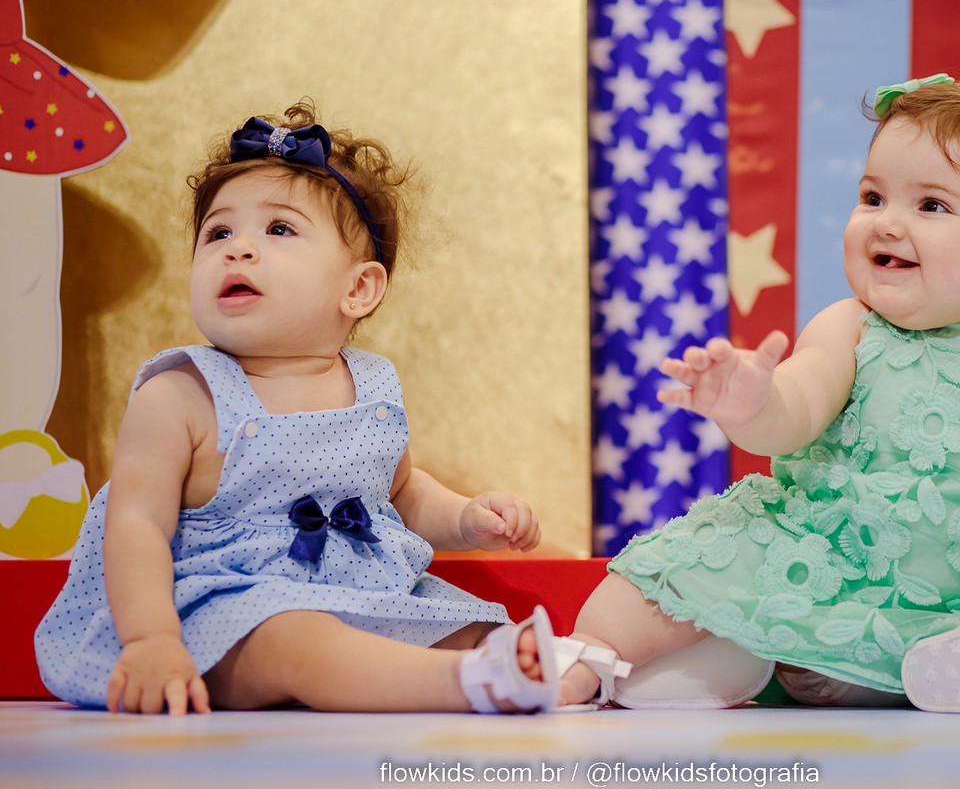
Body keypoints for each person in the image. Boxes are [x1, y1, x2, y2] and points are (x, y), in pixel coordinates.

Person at [560, 76, 960, 713]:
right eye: (872, 197)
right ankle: (590, 658)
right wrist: (752, 405)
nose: (886, 222)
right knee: (689, 556)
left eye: (932, 206)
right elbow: (797, 409)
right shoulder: (852, 328)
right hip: (830, 581)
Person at [34, 101, 566, 716]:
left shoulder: (372, 386)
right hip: (220, 620)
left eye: (279, 230)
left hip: (361, 595)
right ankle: (465, 684)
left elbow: (398, 494)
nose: (238, 250)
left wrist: (466, 519)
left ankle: (546, 672)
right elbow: (136, 524)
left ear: (357, 289)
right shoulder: (181, 394)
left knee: (475, 624)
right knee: (295, 638)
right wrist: (151, 640)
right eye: (218, 233)